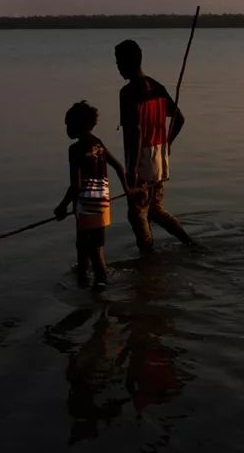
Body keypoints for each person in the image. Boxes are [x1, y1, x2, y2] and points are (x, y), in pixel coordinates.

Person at [114, 39, 194, 253]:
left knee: (137, 214)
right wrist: (167, 145)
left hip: (140, 163)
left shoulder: (128, 93)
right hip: (159, 161)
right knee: (155, 210)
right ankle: (190, 243)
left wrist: (132, 170)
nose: (118, 68)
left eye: (119, 63)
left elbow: (135, 132)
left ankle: (148, 258)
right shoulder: (157, 87)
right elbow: (179, 118)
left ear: (129, 62)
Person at [54, 100, 131, 289]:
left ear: (78, 125)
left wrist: (62, 206)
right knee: (96, 247)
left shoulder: (75, 149)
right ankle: (96, 282)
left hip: (86, 205)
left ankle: (92, 283)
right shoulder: (99, 144)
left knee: (84, 246)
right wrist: (128, 191)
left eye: (68, 125)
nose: (66, 129)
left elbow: (76, 185)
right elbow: (118, 167)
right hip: (103, 202)